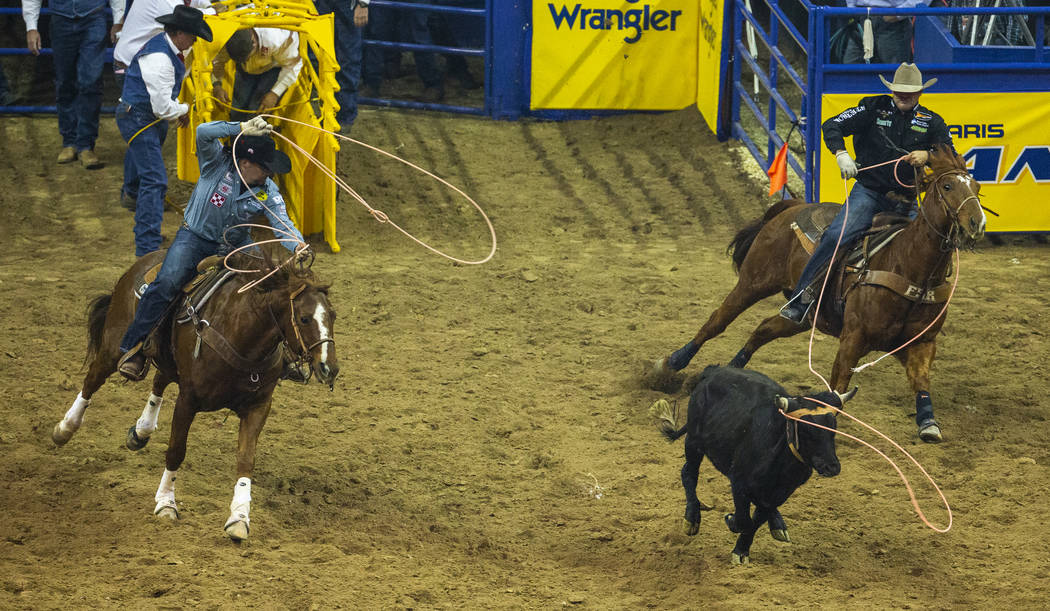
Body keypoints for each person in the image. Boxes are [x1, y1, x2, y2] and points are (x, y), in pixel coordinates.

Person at [116, 115, 306, 380]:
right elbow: (204, 131)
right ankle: (133, 347)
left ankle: (282, 356)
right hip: (194, 238)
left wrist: (298, 245)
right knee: (167, 282)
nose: (269, 174)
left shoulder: (268, 190)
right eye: (265, 168)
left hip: (236, 244)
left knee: (272, 281)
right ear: (245, 163)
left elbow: (282, 223)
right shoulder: (216, 163)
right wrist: (240, 127)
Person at [779, 63, 953, 324]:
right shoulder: (872, 108)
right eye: (899, 91)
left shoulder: (932, 122)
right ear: (892, 91)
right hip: (870, 193)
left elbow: (951, 157)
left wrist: (928, 155)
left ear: (919, 93)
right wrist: (841, 154)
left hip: (907, 199)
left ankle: (921, 309)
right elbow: (832, 125)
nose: (903, 96)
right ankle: (802, 298)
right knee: (837, 236)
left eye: (909, 92)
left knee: (934, 245)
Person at [116, 4, 211, 254]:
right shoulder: (160, 58)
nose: (194, 40)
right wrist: (184, 109)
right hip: (141, 118)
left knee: (147, 170)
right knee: (155, 179)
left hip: (141, 116)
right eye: (192, 35)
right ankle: (147, 246)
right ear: (179, 33)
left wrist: (177, 108)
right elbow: (162, 109)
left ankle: (134, 200)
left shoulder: (166, 48)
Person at [21, 0, 125, 169]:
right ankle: (71, 142)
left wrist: (118, 20)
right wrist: (31, 27)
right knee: (65, 82)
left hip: (91, 17)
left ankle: (84, 144)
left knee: (90, 81)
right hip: (67, 19)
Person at [112, 0, 215, 89]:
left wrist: (208, 5)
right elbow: (183, 16)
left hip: (138, 61)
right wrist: (213, 10)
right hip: (132, 66)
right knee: (147, 109)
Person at [212, 26, 303, 122]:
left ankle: (254, 134)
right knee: (237, 110)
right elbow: (218, 61)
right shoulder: (229, 36)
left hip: (273, 68)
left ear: (254, 43)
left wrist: (275, 94)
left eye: (247, 58)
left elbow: (293, 64)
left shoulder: (278, 39)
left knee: (257, 112)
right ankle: (237, 132)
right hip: (245, 69)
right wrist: (217, 85)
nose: (247, 60)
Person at [313, 0, 369, 131]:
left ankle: (343, 116)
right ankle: (325, 114)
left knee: (347, 60)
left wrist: (363, 4)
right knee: (319, 57)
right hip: (323, 4)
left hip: (346, 4)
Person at [841, 0, 932, 65]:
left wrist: (899, 14)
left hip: (893, 21)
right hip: (861, 16)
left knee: (894, 73)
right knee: (851, 66)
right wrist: (851, 8)